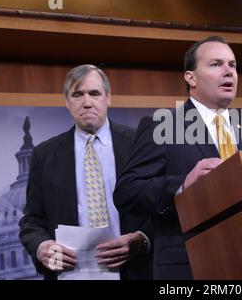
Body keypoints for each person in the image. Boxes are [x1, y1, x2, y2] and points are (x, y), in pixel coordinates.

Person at [113, 36, 240, 279]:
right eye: (216, 64)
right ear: (190, 77)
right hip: (189, 268)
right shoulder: (163, 125)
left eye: (232, 65)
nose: (228, 72)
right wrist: (182, 185)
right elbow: (127, 191)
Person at [19, 64, 152, 280]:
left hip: (134, 271)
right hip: (69, 273)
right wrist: (41, 246)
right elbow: (32, 220)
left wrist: (141, 238)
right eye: (78, 94)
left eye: (94, 93)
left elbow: (163, 208)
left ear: (108, 97)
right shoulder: (44, 154)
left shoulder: (140, 143)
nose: (87, 102)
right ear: (67, 102)